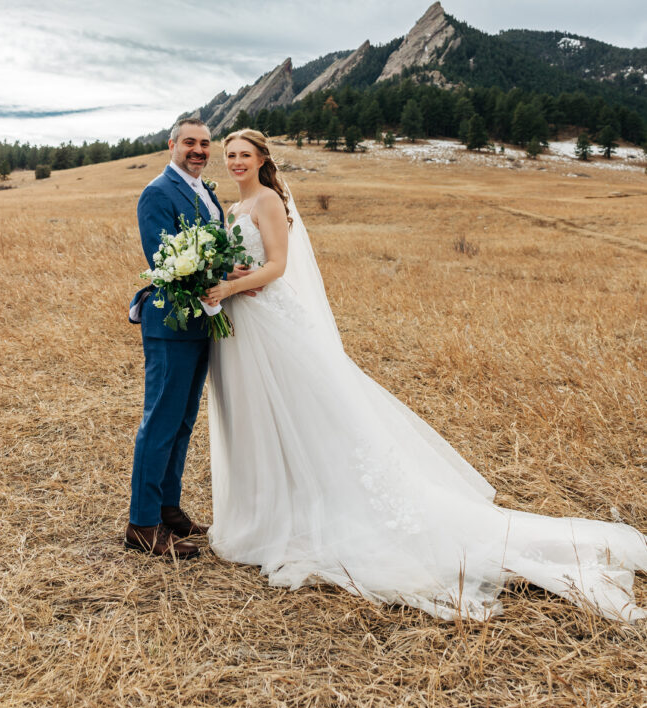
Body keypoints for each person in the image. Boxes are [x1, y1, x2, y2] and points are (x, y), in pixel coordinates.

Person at [203, 129, 647, 622]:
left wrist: (229, 286)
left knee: (304, 414)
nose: (235, 162)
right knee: (264, 417)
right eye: (230, 156)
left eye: (244, 154)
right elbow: (251, 262)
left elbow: (280, 266)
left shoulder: (266, 201)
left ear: (262, 158)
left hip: (270, 320)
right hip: (246, 323)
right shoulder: (234, 208)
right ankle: (270, 508)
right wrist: (233, 276)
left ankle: (313, 512)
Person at [125, 117, 226, 558]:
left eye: (205, 143)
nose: (198, 150)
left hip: (202, 322)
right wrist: (222, 277)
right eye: (190, 142)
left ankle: (168, 508)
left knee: (183, 422)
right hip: (171, 324)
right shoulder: (157, 192)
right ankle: (142, 524)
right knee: (160, 422)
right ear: (172, 145)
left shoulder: (207, 191)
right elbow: (164, 258)